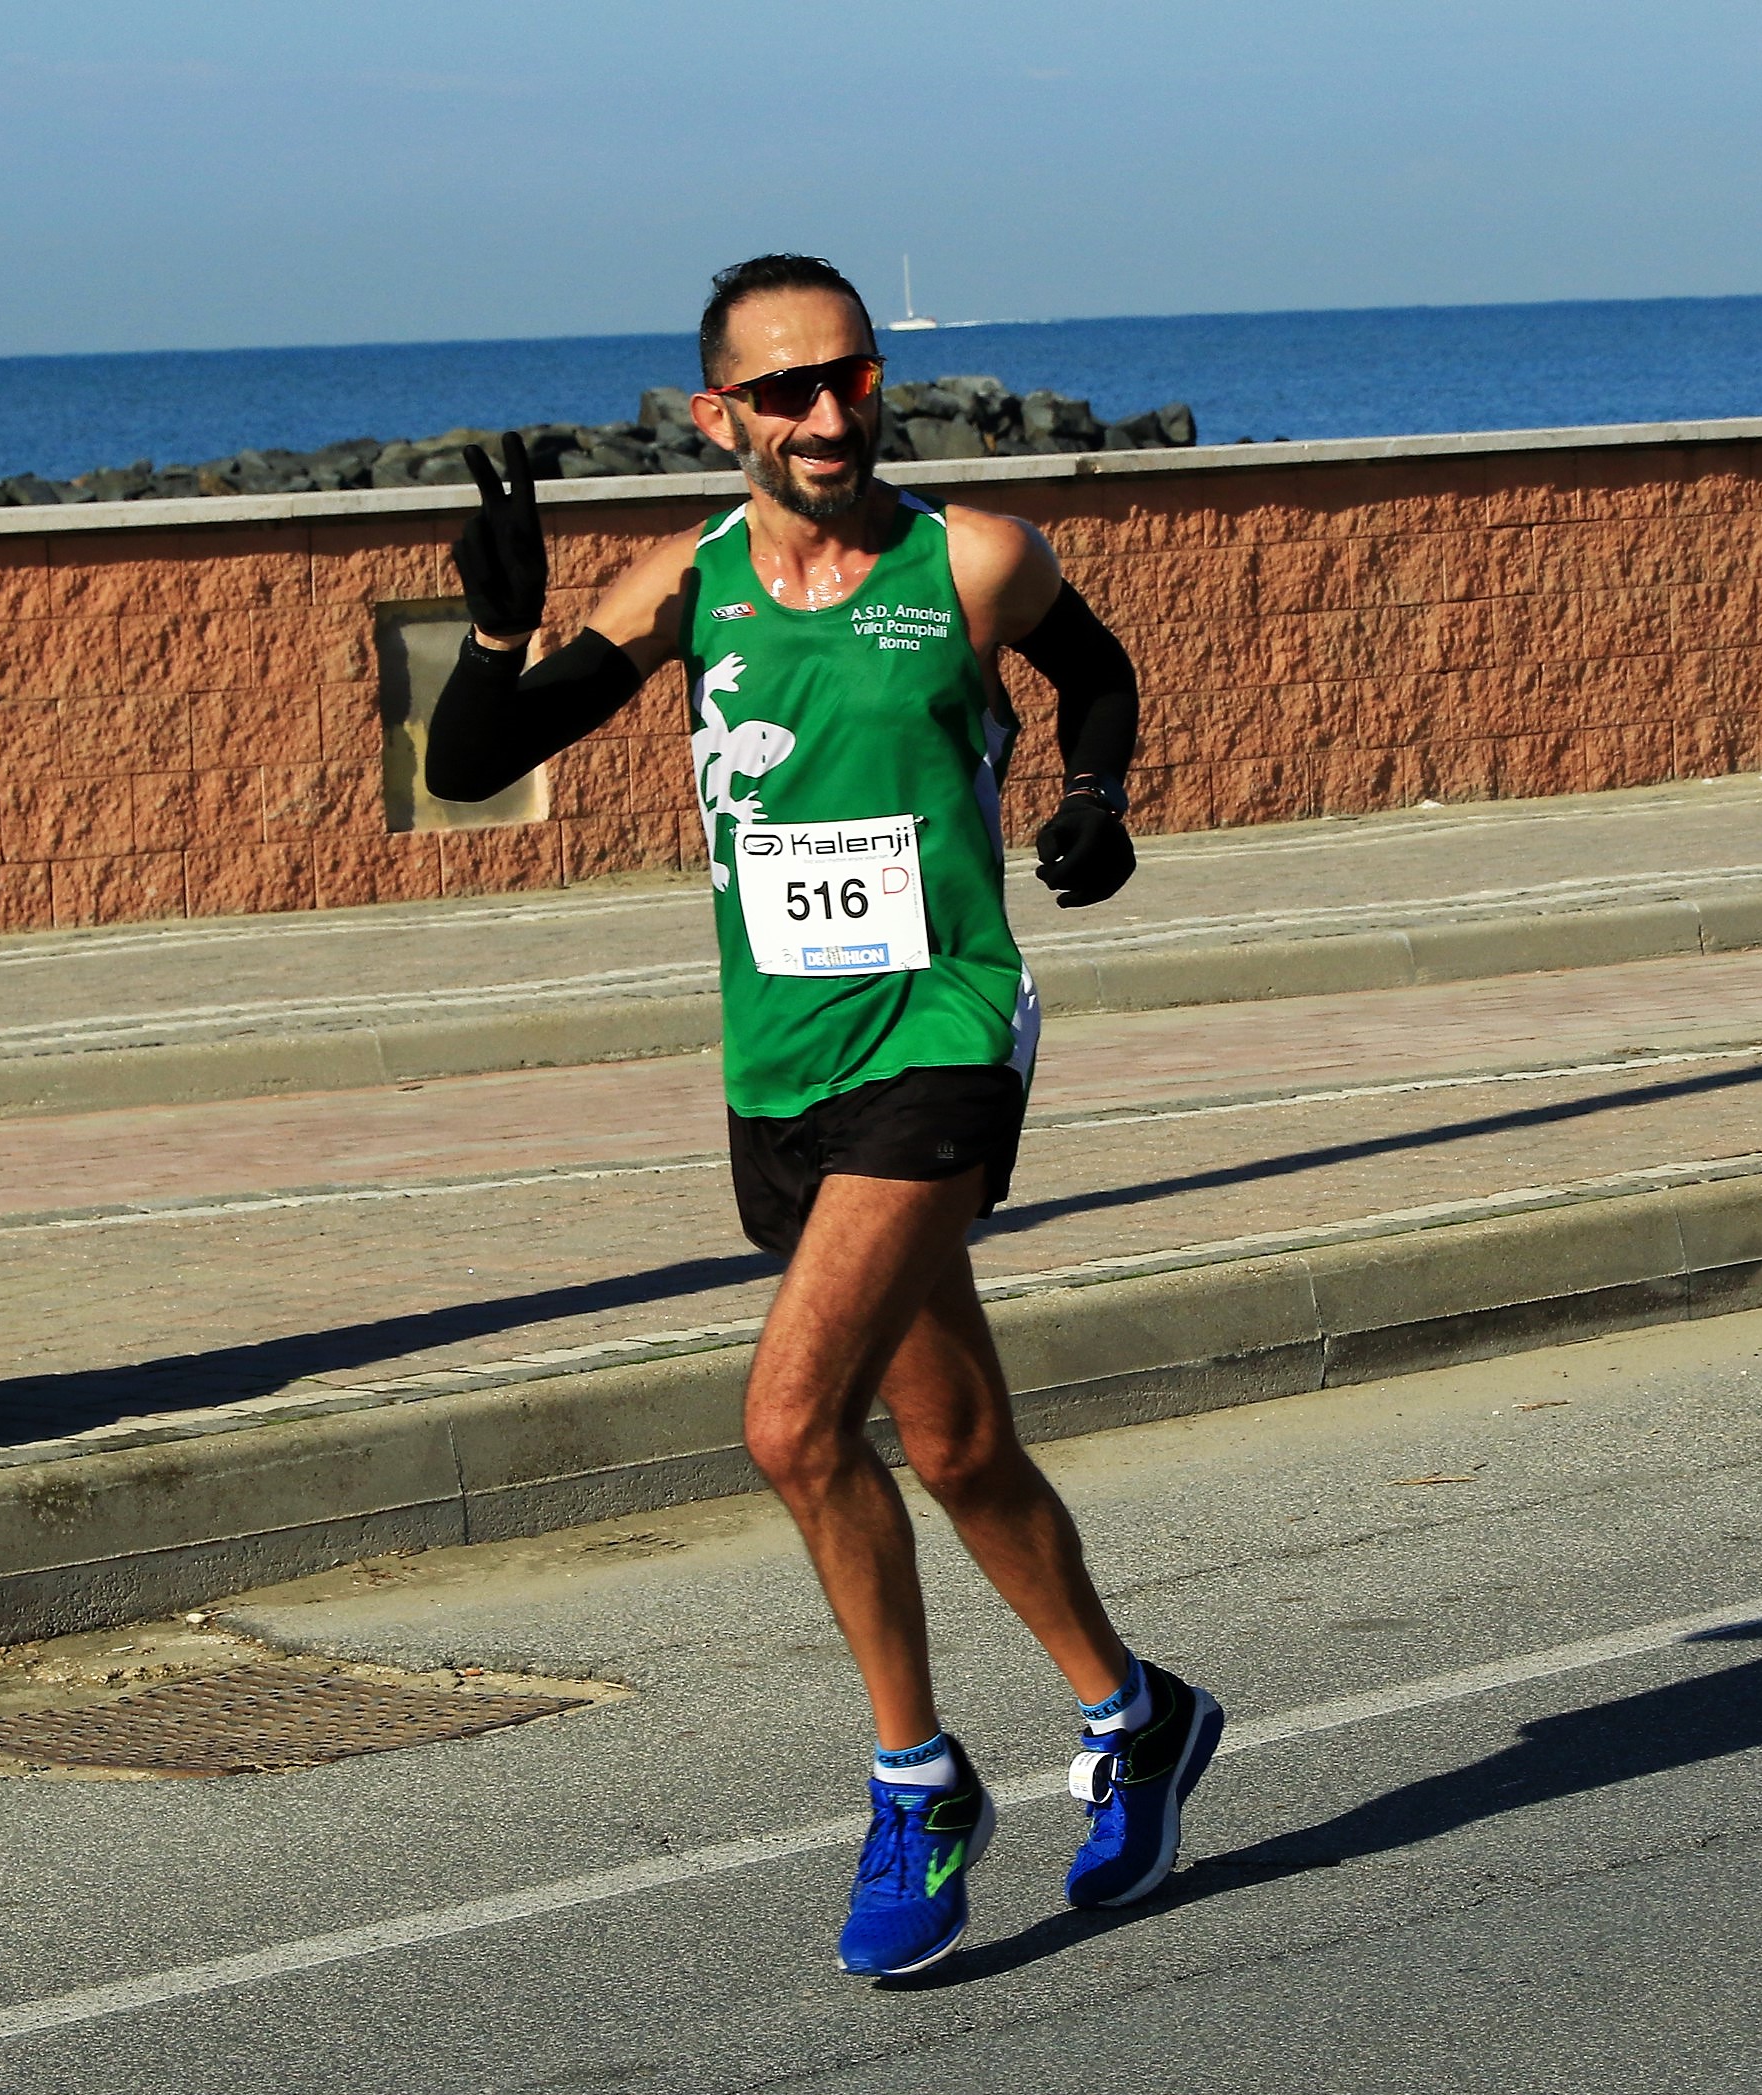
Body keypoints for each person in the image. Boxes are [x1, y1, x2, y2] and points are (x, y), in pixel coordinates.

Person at [424, 254, 1223, 1978]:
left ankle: (917, 1781)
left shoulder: (972, 561)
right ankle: (1134, 1711)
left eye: (846, 378)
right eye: (781, 391)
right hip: (778, 1061)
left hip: (940, 1033)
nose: (824, 414)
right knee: (950, 1444)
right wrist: (498, 631)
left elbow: (1097, 672)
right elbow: (473, 766)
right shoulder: (686, 586)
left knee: (792, 1425)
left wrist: (1093, 798)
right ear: (718, 416)